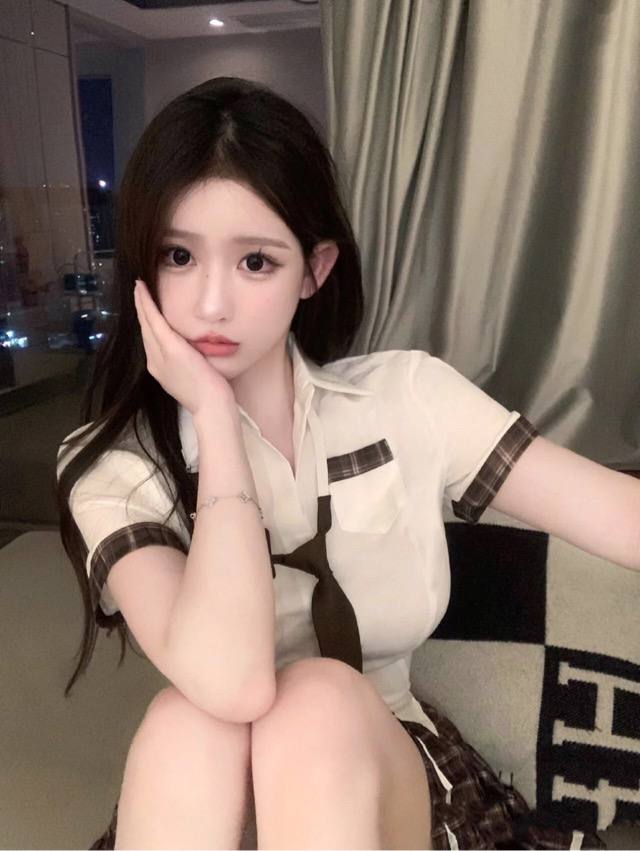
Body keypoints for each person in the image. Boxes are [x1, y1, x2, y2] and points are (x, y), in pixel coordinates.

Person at [56, 76, 637, 850]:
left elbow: (617, 514)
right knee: (188, 721)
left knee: (316, 702)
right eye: (179, 255)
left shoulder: (408, 399)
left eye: (256, 261)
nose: (210, 303)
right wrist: (217, 426)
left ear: (315, 269)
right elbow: (233, 681)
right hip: (212, 800)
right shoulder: (112, 464)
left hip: (391, 782)